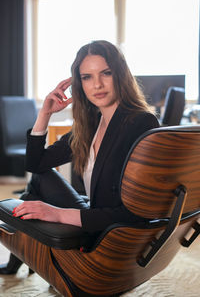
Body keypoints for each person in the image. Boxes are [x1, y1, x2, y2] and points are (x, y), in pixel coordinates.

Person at [0, 40, 159, 274]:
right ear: (79, 84)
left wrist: (56, 214)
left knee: (24, 203)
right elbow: (36, 164)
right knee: (38, 181)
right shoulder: (91, 123)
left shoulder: (139, 122)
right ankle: (27, 254)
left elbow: (135, 214)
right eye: (86, 77)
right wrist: (45, 113)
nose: (97, 84)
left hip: (109, 233)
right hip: (94, 214)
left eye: (106, 73)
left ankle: (27, 254)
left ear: (121, 75)